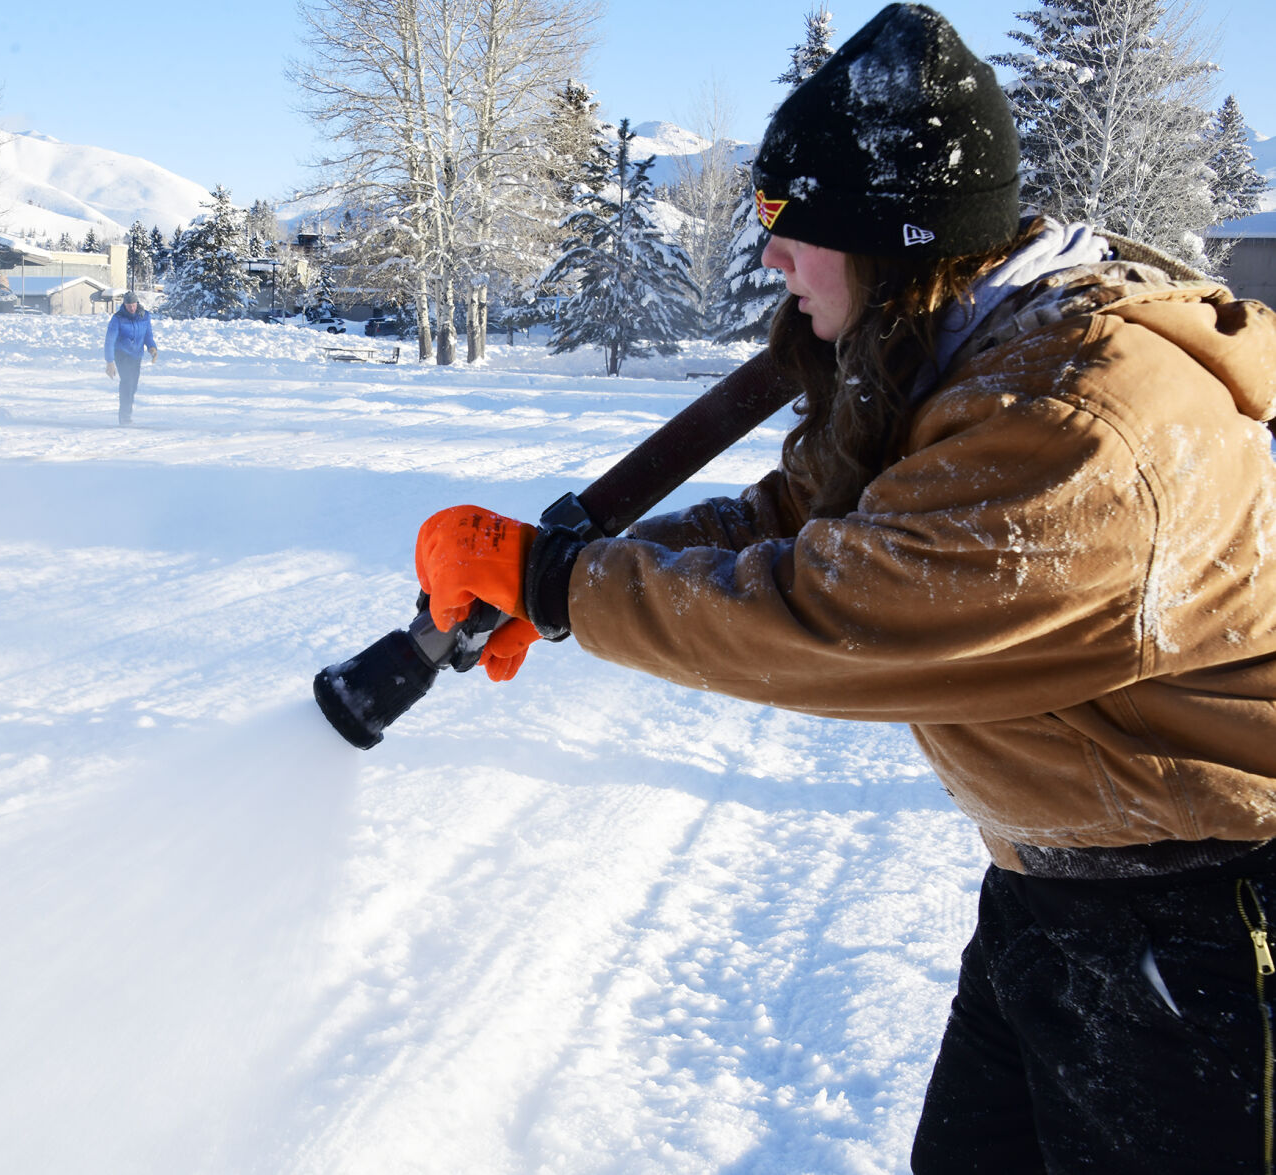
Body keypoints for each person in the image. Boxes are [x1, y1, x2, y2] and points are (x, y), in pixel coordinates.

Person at [410, 5, 1276, 1170]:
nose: (765, 251)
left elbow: (842, 612)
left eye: (784, 220)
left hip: (1207, 920)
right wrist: (549, 581)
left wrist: (566, 583)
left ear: (887, 237)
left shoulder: (1074, 421)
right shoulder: (959, 354)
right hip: (1057, 894)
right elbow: (795, 516)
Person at [104, 291, 158, 425]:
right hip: (122, 354)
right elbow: (109, 341)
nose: (132, 308)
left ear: (137, 303)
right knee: (127, 383)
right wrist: (110, 362)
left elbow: (148, 335)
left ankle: (127, 414)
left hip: (136, 355)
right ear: (124, 305)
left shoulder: (145, 316)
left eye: (133, 305)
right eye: (129, 306)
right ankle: (124, 417)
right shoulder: (118, 318)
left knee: (133, 386)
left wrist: (152, 348)